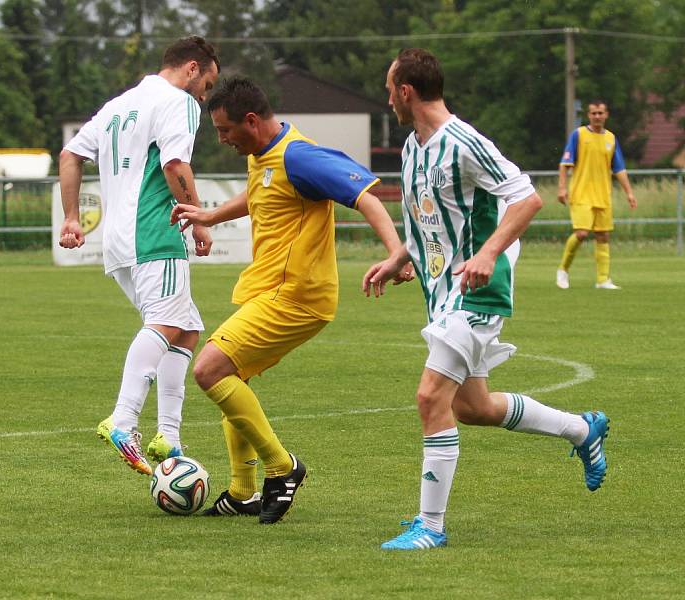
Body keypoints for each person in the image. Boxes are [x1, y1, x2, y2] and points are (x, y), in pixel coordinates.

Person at [362, 48, 610, 551]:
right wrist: (399, 257)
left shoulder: (465, 142)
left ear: (406, 90)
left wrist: (487, 253)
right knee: (472, 407)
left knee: (430, 398)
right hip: (441, 294)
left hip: (477, 291)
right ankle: (582, 430)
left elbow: (528, 197)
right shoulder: (413, 148)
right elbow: (426, 217)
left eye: (390, 89)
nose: (387, 98)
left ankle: (430, 526)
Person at [170, 76, 410, 524]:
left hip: (297, 296)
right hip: (271, 291)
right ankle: (243, 492)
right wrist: (210, 215)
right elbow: (260, 194)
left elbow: (367, 199)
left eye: (225, 130)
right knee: (231, 377)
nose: (221, 140)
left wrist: (397, 254)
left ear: (251, 120)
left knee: (209, 369)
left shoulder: (299, 156)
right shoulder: (263, 156)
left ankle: (282, 468)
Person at [58, 36, 220, 476]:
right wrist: (200, 219)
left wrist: (72, 217)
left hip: (117, 240)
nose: (204, 97)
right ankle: (123, 420)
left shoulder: (119, 105)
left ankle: (168, 434)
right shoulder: (178, 102)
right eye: (206, 85)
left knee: (185, 329)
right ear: (191, 69)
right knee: (166, 323)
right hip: (155, 234)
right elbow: (174, 165)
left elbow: (70, 154)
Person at [556, 100, 637, 290]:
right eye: (594, 113)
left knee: (603, 236)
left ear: (606, 114)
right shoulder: (579, 135)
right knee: (582, 233)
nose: (597, 116)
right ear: (588, 115)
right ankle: (563, 270)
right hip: (581, 193)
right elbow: (564, 163)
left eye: (600, 113)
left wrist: (629, 193)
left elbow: (619, 169)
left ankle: (602, 280)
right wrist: (562, 188)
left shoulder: (611, 138)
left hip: (603, 195)